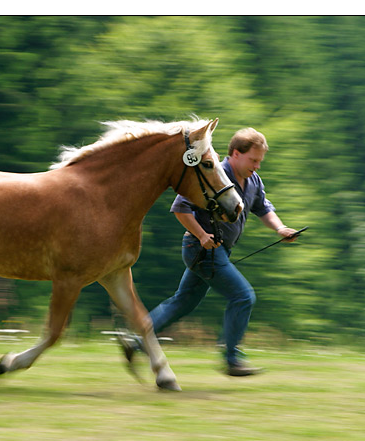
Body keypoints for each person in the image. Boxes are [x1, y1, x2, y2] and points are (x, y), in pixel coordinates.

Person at [120, 127, 299, 376]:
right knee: (243, 296)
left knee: (182, 303)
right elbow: (181, 208)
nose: (257, 166)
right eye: (253, 160)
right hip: (201, 248)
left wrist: (280, 229)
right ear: (236, 153)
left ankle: (135, 341)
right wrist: (202, 235)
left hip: (218, 250)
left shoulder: (253, 181)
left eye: (259, 161)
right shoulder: (215, 173)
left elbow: (263, 208)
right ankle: (232, 358)